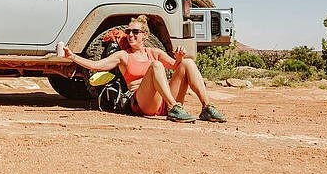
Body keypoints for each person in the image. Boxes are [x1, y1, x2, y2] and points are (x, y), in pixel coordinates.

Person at [62, 15, 226, 123]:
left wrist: (180, 58)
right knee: (156, 66)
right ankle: (174, 108)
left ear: (145, 36)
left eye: (135, 31)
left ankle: (206, 107)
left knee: (188, 63)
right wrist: (73, 57)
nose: (130, 35)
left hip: (162, 102)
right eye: (128, 32)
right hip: (142, 103)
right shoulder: (123, 56)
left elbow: (177, 67)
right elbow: (96, 66)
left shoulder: (154, 52)